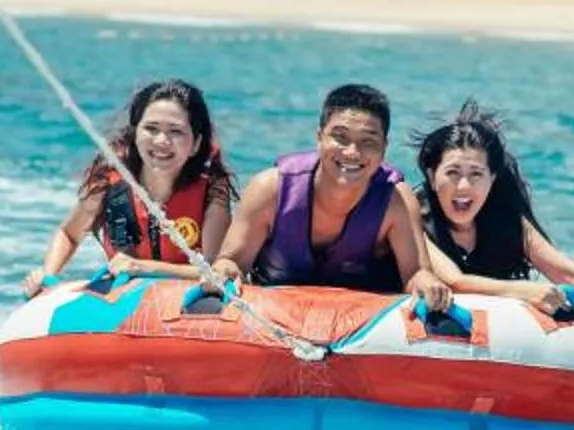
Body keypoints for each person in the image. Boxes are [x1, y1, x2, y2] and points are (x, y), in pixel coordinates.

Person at [410, 103, 574, 334]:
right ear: (433, 177)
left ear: (492, 178)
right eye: (452, 172)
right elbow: (455, 281)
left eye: (476, 174)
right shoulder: (414, 216)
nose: (464, 186)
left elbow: (568, 273)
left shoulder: (505, 219)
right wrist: (527, 292)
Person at [205, 83, 446, 304]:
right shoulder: (270, 190)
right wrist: (226, 269)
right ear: (319, 138)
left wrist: (427, 283)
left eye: (368, 141)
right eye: (340, 138)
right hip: (275, 320)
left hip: (363, 326)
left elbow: (415, 273)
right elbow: (232, 261)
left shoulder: (396, 200)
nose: (352, 152)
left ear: (384, 148)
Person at [23, 79, 238, 296]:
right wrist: (48, 276)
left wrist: (144, 268)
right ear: (135, 134)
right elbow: (69, 234)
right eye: (151, 129)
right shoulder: (110, 179)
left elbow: (214, 269)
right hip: (124, 303)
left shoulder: (212, 189)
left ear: (196, 144)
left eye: (176, 132)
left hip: (186, 302)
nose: (162, 140)